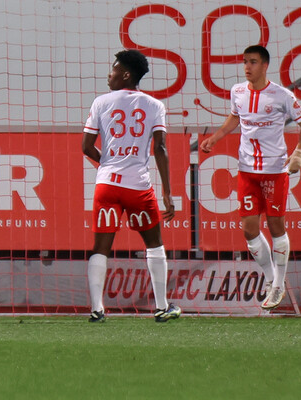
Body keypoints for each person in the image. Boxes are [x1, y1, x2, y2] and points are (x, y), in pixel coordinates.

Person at [199, 45, 301, 310]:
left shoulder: (281, 95)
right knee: (249, 230)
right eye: (245, 62)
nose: (247, 67)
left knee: (276, 227)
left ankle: (278, 282)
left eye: (253, 62)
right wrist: (215, 138)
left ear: (264, 66)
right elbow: (235, 118)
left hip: (274, 173)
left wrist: (299, 153)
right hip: (247, 172)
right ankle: (274, 282)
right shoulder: (237, 91)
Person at [80, 49, 181, 323]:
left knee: (100, 247)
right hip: (138, 186)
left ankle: (97, 309)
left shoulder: (101, 102)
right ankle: (162, 307)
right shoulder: (154, 105)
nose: (109, 75)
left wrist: (107, 164)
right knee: (154, 245)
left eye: (113, 70)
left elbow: (87, 147)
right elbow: (159, 147)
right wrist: (167, 192)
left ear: (125, 74)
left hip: (107, 186)